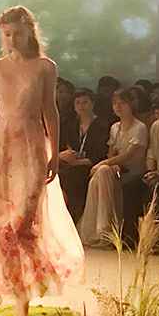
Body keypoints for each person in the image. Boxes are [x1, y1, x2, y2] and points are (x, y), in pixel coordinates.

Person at [0, 5, 84, 316]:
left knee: (24, 223)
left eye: (17, 33)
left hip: (32, 146)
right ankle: (16, 294)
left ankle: (30, 286)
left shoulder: (45, 67)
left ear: (29, 32)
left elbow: (50, 111)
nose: (12, 39)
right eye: (7, 34)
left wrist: (54, 153)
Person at [79, 88, 149, 247]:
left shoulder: (140, 127)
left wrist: (103, 163)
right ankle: (102, 228)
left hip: (133, 172)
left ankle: (104, 228)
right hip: (116, 169)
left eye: (122, 103)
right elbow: (111, 153)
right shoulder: (115, 127)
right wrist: (110, 164)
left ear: (131, 104)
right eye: (115, 103)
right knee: (102, 173)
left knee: (102, 171)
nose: (118, 107)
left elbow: (129, 155)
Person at [59, 89, 110, 222]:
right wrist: (63, 155)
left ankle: (76, 218)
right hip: (70, 165)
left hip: (91, 166)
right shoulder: (69, 125)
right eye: (78, 103)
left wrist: (76, 162)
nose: (81, 106)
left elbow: (100, 155)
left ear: (93, 103)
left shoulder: (103, 126)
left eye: (85, 102)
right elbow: (61, 147)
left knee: (73, 177)